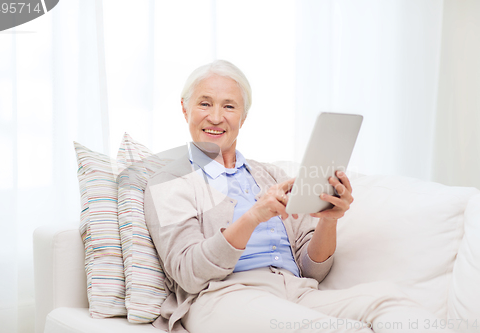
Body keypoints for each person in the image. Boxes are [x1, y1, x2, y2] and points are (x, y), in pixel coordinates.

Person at [143, 60, 453, 333]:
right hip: (223, 297)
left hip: (296, 291)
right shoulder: (170, 182)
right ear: (184, 108)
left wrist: (329, 220)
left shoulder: (270, 176)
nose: (215, 117)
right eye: (204, 103)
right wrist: (254, 216)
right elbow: (189, 273)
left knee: (388, 299)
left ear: (243, 116)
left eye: (229, 106)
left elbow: (312, 270)